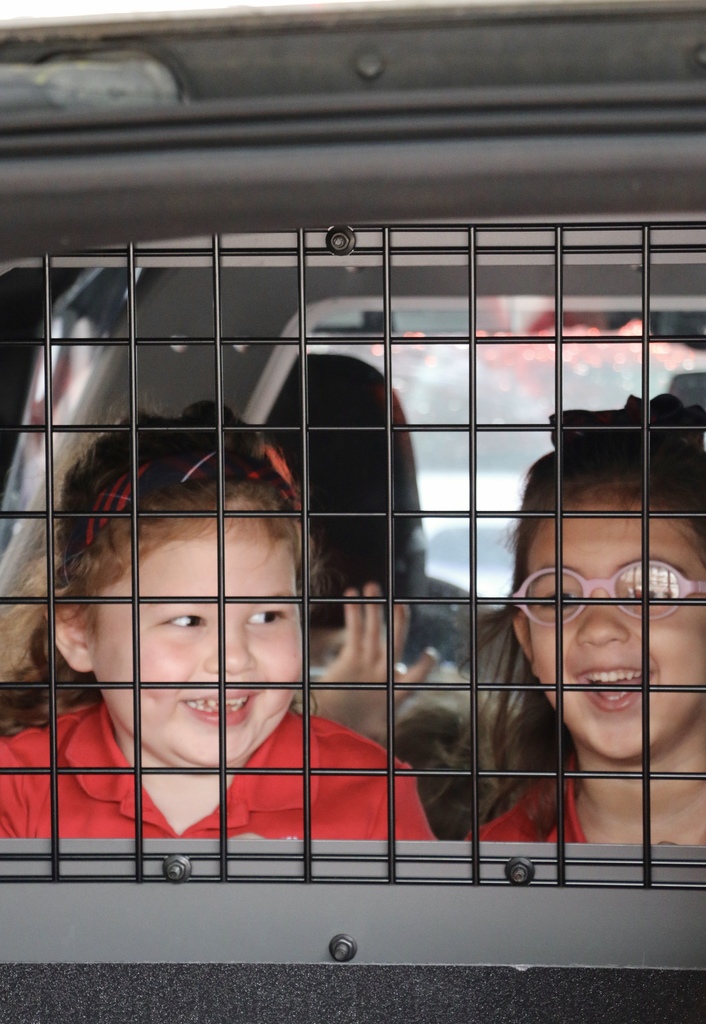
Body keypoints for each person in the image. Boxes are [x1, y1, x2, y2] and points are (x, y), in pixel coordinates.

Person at [0, 404, 433, 841]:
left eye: (267, 616)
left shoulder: (372, 793)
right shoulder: (16, 787)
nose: (233, 658)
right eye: (187, 620)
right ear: (77, 633)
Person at [479, 394, 706, 845]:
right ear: (527, 642)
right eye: (560, 597)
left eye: (650, 588)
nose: (599, 627)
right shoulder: (489, 868)